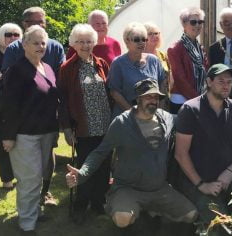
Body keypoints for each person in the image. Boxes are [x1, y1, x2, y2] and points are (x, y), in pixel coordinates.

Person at [65, 79, 197, 232]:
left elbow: (189, 123)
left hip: (159, 189)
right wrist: (82, 173)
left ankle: (151, 211)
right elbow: (99, 153)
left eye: (156, 97)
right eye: (148, 97)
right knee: (122, 218)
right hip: (128, 188)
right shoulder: (122, 124)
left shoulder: (167, 119)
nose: (153, 101)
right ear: (138, 99)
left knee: (191, 214)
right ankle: (129, 209)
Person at [175, 63, 232, 231]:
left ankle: (231, 208)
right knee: (222, 226)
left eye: (229, 82)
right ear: (209, 82)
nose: (226, 85)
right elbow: (181, 154)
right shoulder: (190, 109)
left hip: (228, 175)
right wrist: (201, 184)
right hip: (198, 178)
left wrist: (230, 171)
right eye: (221, 81)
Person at [0, 6, 65, 206]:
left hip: (48, 123)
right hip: (26, 126)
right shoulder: (14, 55)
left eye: (42, 21)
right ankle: (28, 215)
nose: (40, 46)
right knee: (29, 172)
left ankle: (41, 198)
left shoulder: (52, 55)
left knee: (45, 163)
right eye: (33, 22)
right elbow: (9, 96)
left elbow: (57, 83)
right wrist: (9, 133)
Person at [58, 24, 112, 224]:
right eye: (80, 41)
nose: (85, 45)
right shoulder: (67, 68)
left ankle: (99, 202)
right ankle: (81, 204)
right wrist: (66, 128)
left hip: (105, 127)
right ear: (73, 43)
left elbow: (109, 93)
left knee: (104, 167)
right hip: (84, 128)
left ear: (94, 43)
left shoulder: (101, 64)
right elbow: (62, 100)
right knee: (83, 168)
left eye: (89, 41)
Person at [108, 22, 165, 117]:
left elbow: (162, 85)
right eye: (137, 39)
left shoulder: (153, 60)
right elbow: (115, 93)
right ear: (127, 40)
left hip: (151, 115)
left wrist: (158, 110)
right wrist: (134, 114)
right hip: (127, 117)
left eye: (144, 39)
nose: (141, 43)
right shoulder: (118, 63)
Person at [0, 23, 22, 190]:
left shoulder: (23, 53)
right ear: (1, 36)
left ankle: (20, 175)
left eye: (16, 34)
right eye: (8, 34)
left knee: (20, 141)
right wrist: (3, 73)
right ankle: (7, 179)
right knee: (3, 142)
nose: (12, 38)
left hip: (20, 104)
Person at [167, 7, 208, 114]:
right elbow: (180, 79)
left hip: (199, 97)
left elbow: (207, 71)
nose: (197, 25)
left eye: (200, 22)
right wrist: (198, 99)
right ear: (184, 25)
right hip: (181, 100)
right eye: (193, 22)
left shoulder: (200, 48)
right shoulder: (175, 49)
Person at [144, 22, 172, 110]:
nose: (154, 36)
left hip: (165, 100)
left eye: (156, 33)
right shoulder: (140, 56)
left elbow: (170, 78)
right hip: (147, 101)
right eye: (150, 34)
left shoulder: (163, 55)